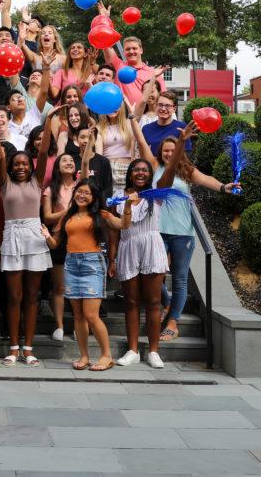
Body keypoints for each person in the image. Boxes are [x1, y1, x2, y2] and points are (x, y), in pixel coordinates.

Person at [132, 118, 237, 342]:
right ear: (160, 152)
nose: (169, 154)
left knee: (179, 278)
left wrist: (223, 187)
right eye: (166, 150)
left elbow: (206, 179)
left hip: (182, 231)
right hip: (156, 230)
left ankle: (172, 321)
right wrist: (133, 118)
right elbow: (141, 141)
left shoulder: (187, 171)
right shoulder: (153, 166)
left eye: (173, 150)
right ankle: (169, 303)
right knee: (152, 273)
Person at [0, 113, 53, 366]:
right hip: (12, 236)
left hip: (34, 236)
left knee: (32, 295)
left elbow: (44, 150)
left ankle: (29, 348)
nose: (20, 167)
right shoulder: (4, 183)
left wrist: (49, 121)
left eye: (24, 164)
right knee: (14, 296)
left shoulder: (37, 182)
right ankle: (14, 347)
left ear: (31, 166)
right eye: (16, 164)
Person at [108, 155, 174, 370]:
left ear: (150, 175)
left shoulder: (155, 195)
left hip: (151, 245)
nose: (140, 173)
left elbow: (169, 176)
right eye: (136, 169)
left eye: (145, 170)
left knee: (154, 302)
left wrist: (181, 144)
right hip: (128, 248)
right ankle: (133, 350)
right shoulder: (117, 197)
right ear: (130, 173)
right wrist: (112, 258)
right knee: (131, 302)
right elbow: (114, 232)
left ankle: (154, 351)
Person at [52, 179, 115, 371]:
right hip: (71, 264)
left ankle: (107, 355)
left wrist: (128, 206)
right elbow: (55, 244)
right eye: (79, 191)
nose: (82, 195)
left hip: (92, 263)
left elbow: (124, 224)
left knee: (91, 315)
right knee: (78, 315)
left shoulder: (100, 215)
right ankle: (84, 356)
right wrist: (45, 235)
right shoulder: (68, 216)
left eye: (87, 193)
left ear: (94, 197)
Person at [41, 152, 78, 342]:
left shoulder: (81, 186)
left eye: (72, 160)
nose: (69, 162)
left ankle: (79, 325)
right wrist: (68, 211)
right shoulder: (49, 189)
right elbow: (47, 217)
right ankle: (59, 326)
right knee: (59, 286)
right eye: (65, 160)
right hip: (58, 238)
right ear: (57, 166)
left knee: (77, 286)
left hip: (81, 237)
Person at [139, 88, 190, 156]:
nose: (163, 108)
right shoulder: (146, 129)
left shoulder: (181, 127)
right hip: (152, 166)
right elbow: (142, 154)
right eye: (160, 105)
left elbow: (186, 154)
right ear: (156, 106)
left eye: (167, 106)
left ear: (174, 109)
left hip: (174, 166)